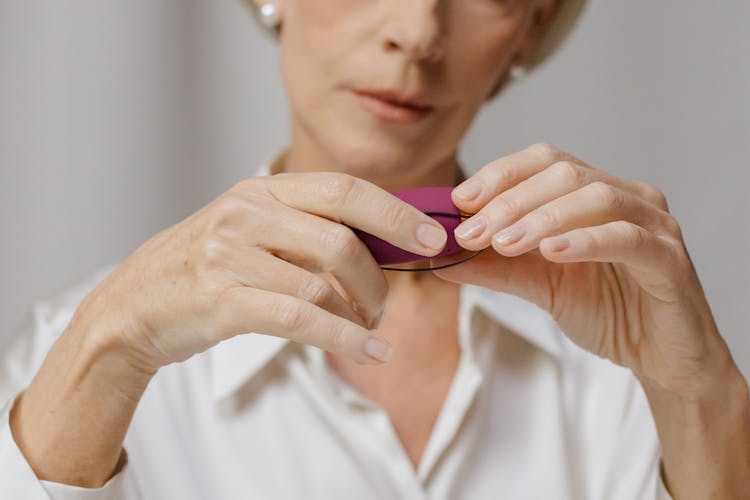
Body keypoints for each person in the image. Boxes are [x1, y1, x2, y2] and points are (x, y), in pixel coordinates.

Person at [1, 0, 748, 498]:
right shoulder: (79, 356)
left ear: (530, 25)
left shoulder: (629, 359)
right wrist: (110, 344)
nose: (419, 31)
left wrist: (699, 392)